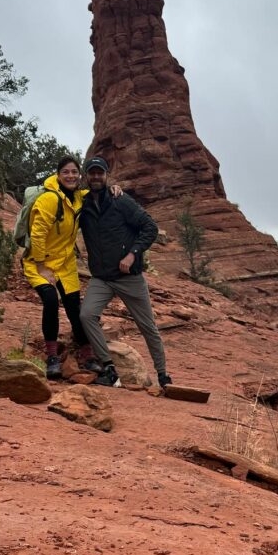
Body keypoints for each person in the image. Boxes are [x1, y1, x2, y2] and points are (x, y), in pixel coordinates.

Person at [78, 156, 172, 389]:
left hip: (129, 277)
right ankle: (109, 367)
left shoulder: (121, 200)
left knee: (147, 326)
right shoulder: (83, 204)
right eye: (92, 173)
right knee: (87, 315)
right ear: (86, 177)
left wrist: (132, 254)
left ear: (107, 175)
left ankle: (163, 376)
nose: (96, 177)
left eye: (100, 173)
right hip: (102, 277)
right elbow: (55, 188)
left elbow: (149, 227)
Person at [22, 154, 105, 380]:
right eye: (66, 172)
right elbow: (37, 234)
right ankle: (52, 358)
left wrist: (113, 188)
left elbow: (96, 192)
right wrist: (42, 267)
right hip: (39, 262)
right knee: (50, 301)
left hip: (66, 264)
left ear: (79, 176)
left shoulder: (78, 197)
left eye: (74, 172)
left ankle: (87, 356)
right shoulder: (49, 199)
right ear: (58, 175)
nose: (71, 176)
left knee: (74, 309)